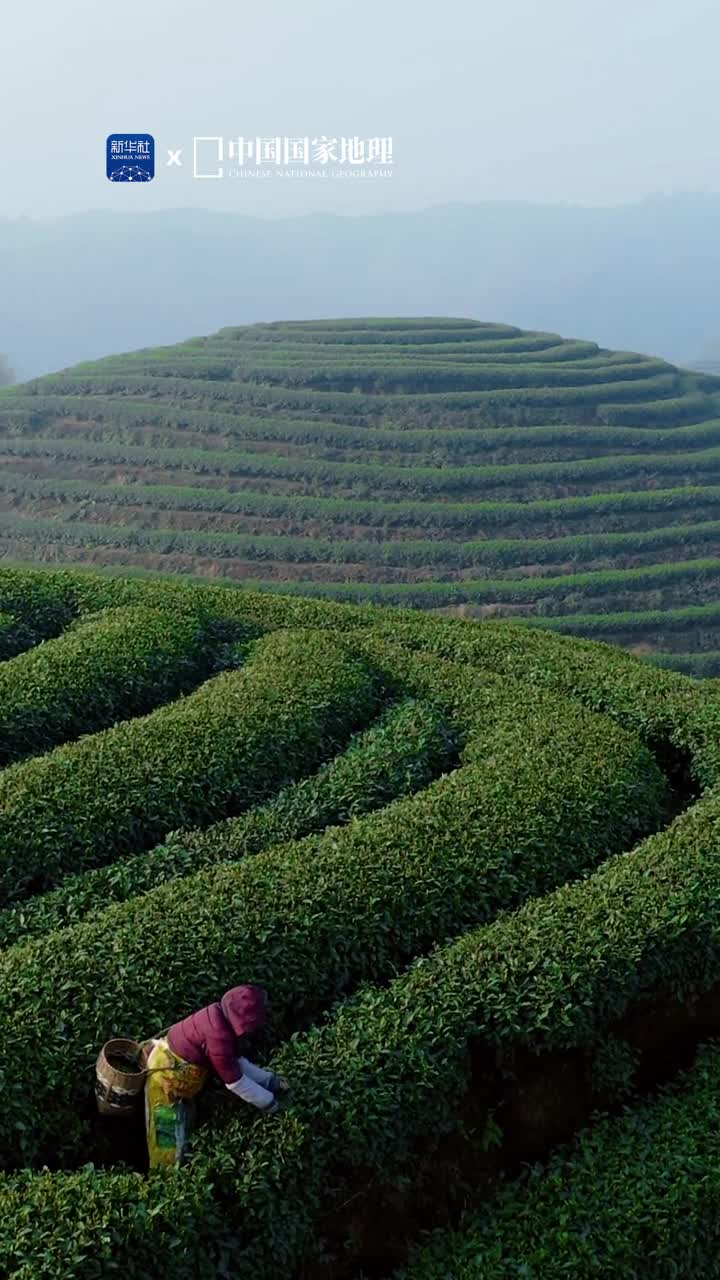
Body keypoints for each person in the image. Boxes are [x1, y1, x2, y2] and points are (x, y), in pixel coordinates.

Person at [143, 984, 288, 1168]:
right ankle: (165, 1179)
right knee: (167, 1137)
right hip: (165, 1078)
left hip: (176, 1074)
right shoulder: (218, 1035)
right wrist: (270, 1104)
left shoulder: (218, 1014)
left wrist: (270, 1081)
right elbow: (236, 1082)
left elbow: (235, 1061)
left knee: (184, 1124)